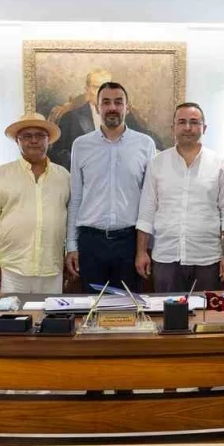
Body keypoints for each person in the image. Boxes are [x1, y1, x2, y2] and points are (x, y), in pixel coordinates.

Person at [64, 82, 158, 292]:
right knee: (92, 306)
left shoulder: (145, 144)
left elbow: (149, 200)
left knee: (128, 305)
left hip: (129, 242)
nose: (112, 107)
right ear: (97, 107)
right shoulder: (81, 145)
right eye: (106, 102)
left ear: (127, 107)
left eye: (118, 102)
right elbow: (76, 198)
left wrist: (145, 248)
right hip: (91, 242)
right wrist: (71, 246)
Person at [135, 103, 224, 291]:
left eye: (194, 122)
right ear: (173, 128)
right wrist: (141, 251)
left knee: (205, 310)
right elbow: (147, 210)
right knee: (167, 310)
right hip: (166, 258)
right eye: (182, 122)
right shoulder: (157, 163)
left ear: (204, 128)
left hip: (208, 260)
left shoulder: (220, 165)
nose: (188, 127)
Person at [0, 113, 70, 293]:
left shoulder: (64, 176)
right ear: (17, 141)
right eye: (27, 136)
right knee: (9, 312)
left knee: (49, 312)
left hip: (51, 268)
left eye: (40, 135)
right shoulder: (1, 175)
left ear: (48, 140)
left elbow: (70, 220)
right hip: (11, 269)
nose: (34, 140)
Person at [51, 69, 160, 168]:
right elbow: (58, 154)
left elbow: (147, 139)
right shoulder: (70, 118)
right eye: (96, 87)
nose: (102, 92)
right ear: (87, 90)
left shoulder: (125, 115)